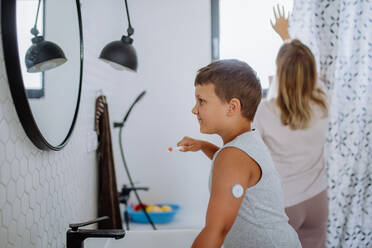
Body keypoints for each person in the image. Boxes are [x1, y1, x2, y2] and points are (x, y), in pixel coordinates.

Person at [177, 59, 301, 248]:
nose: (194, 110)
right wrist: (203, 145)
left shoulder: (233, 157)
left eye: (201, 101)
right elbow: (233, 170)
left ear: (232, 107)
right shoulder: (244, 145)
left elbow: (216, 231)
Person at [253, 5, 329, 248]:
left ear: (279, 71)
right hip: (318, 201)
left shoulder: (265, 111)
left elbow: (249, 153)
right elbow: (303, 69)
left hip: (286, 205)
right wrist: (287, 36)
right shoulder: (323, 99)